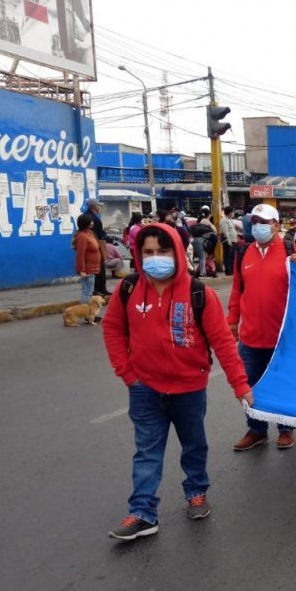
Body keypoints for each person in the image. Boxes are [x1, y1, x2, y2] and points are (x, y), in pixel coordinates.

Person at [102, 222, 252, 541]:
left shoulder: (199, 293)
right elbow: (113, 329)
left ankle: (196, 491)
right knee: (146, 451)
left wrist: (240, 385)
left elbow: (223, 343)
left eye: (163, 250)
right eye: (149, 253)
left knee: (194, 445)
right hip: (144, 389)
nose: (156, 258)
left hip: (189, 389)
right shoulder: (128, 290)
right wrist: (127, 374)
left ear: (177, 252)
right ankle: (143, 512)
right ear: (139, 256)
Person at [228, 203, 296, 452]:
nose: (259, 226)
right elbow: (237, 290)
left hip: (282, 336)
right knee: (250, 385)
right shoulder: (244, 254)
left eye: (264, 222)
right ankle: (256, 429)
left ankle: (285, 429)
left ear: (276, 225)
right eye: (255, 221)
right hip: (251, 336)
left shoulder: (289, 251)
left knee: (283, 384)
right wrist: (232, 320)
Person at [82, 198, 110, 297]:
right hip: (96, 247)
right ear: (94, 207)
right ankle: (100, 289)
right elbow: (101, 237)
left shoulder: (83, 216)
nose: (100, 207)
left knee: (91, 270)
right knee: (100, 269)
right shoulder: (96, 219)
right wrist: (104, 253)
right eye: (99, 205)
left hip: (86, 248)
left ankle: (94, 290)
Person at [74, 213, 100, 305]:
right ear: (86, 223)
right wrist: (82, 270)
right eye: (90, 221)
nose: (92, 222)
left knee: (90, 291)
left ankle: (88, 314)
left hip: (93, 268)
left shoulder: (90, 233)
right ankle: (85, 313)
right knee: (87, 292)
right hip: (87, 269)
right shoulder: (82, 236)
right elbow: (80, 254)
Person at [219, 206, 238, 276]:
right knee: (228, 256)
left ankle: (232, 270)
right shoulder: (223, 220)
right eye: (232, 212)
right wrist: (228, 240)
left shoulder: (230, 220)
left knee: (232, 256)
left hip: (234, 240)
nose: (233, 213)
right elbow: (225, 231)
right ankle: (228, 271)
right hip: (228, 241)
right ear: (229, 212)